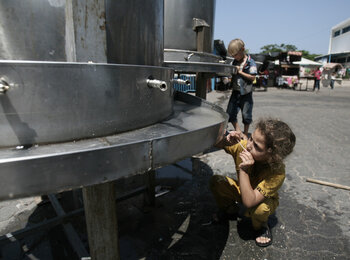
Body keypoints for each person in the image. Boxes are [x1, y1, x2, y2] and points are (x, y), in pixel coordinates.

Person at [210, 118, 296, 247]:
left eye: (256, 146)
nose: (249, 145)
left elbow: (249, 202)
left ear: (272, 155)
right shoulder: (244, 147)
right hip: (243, 190)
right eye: (251, 138)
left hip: (261, 199)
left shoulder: (277, 172)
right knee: (217, 182)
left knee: (260, 210)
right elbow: (216, 143)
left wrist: (244, 170)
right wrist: (226, 140)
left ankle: (260, 227)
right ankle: (230, 210)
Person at [226, 39, 257, 139]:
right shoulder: (235, 62)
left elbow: (252, 77)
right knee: (230, 112)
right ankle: (238, 130)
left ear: (242, 50)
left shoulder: (250, 62)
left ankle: (245, 133)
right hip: (235, 91)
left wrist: (240, 72)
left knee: (246, 114)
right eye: (233, 56)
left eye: (235, 55)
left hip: (246, 92)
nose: (234, 57)